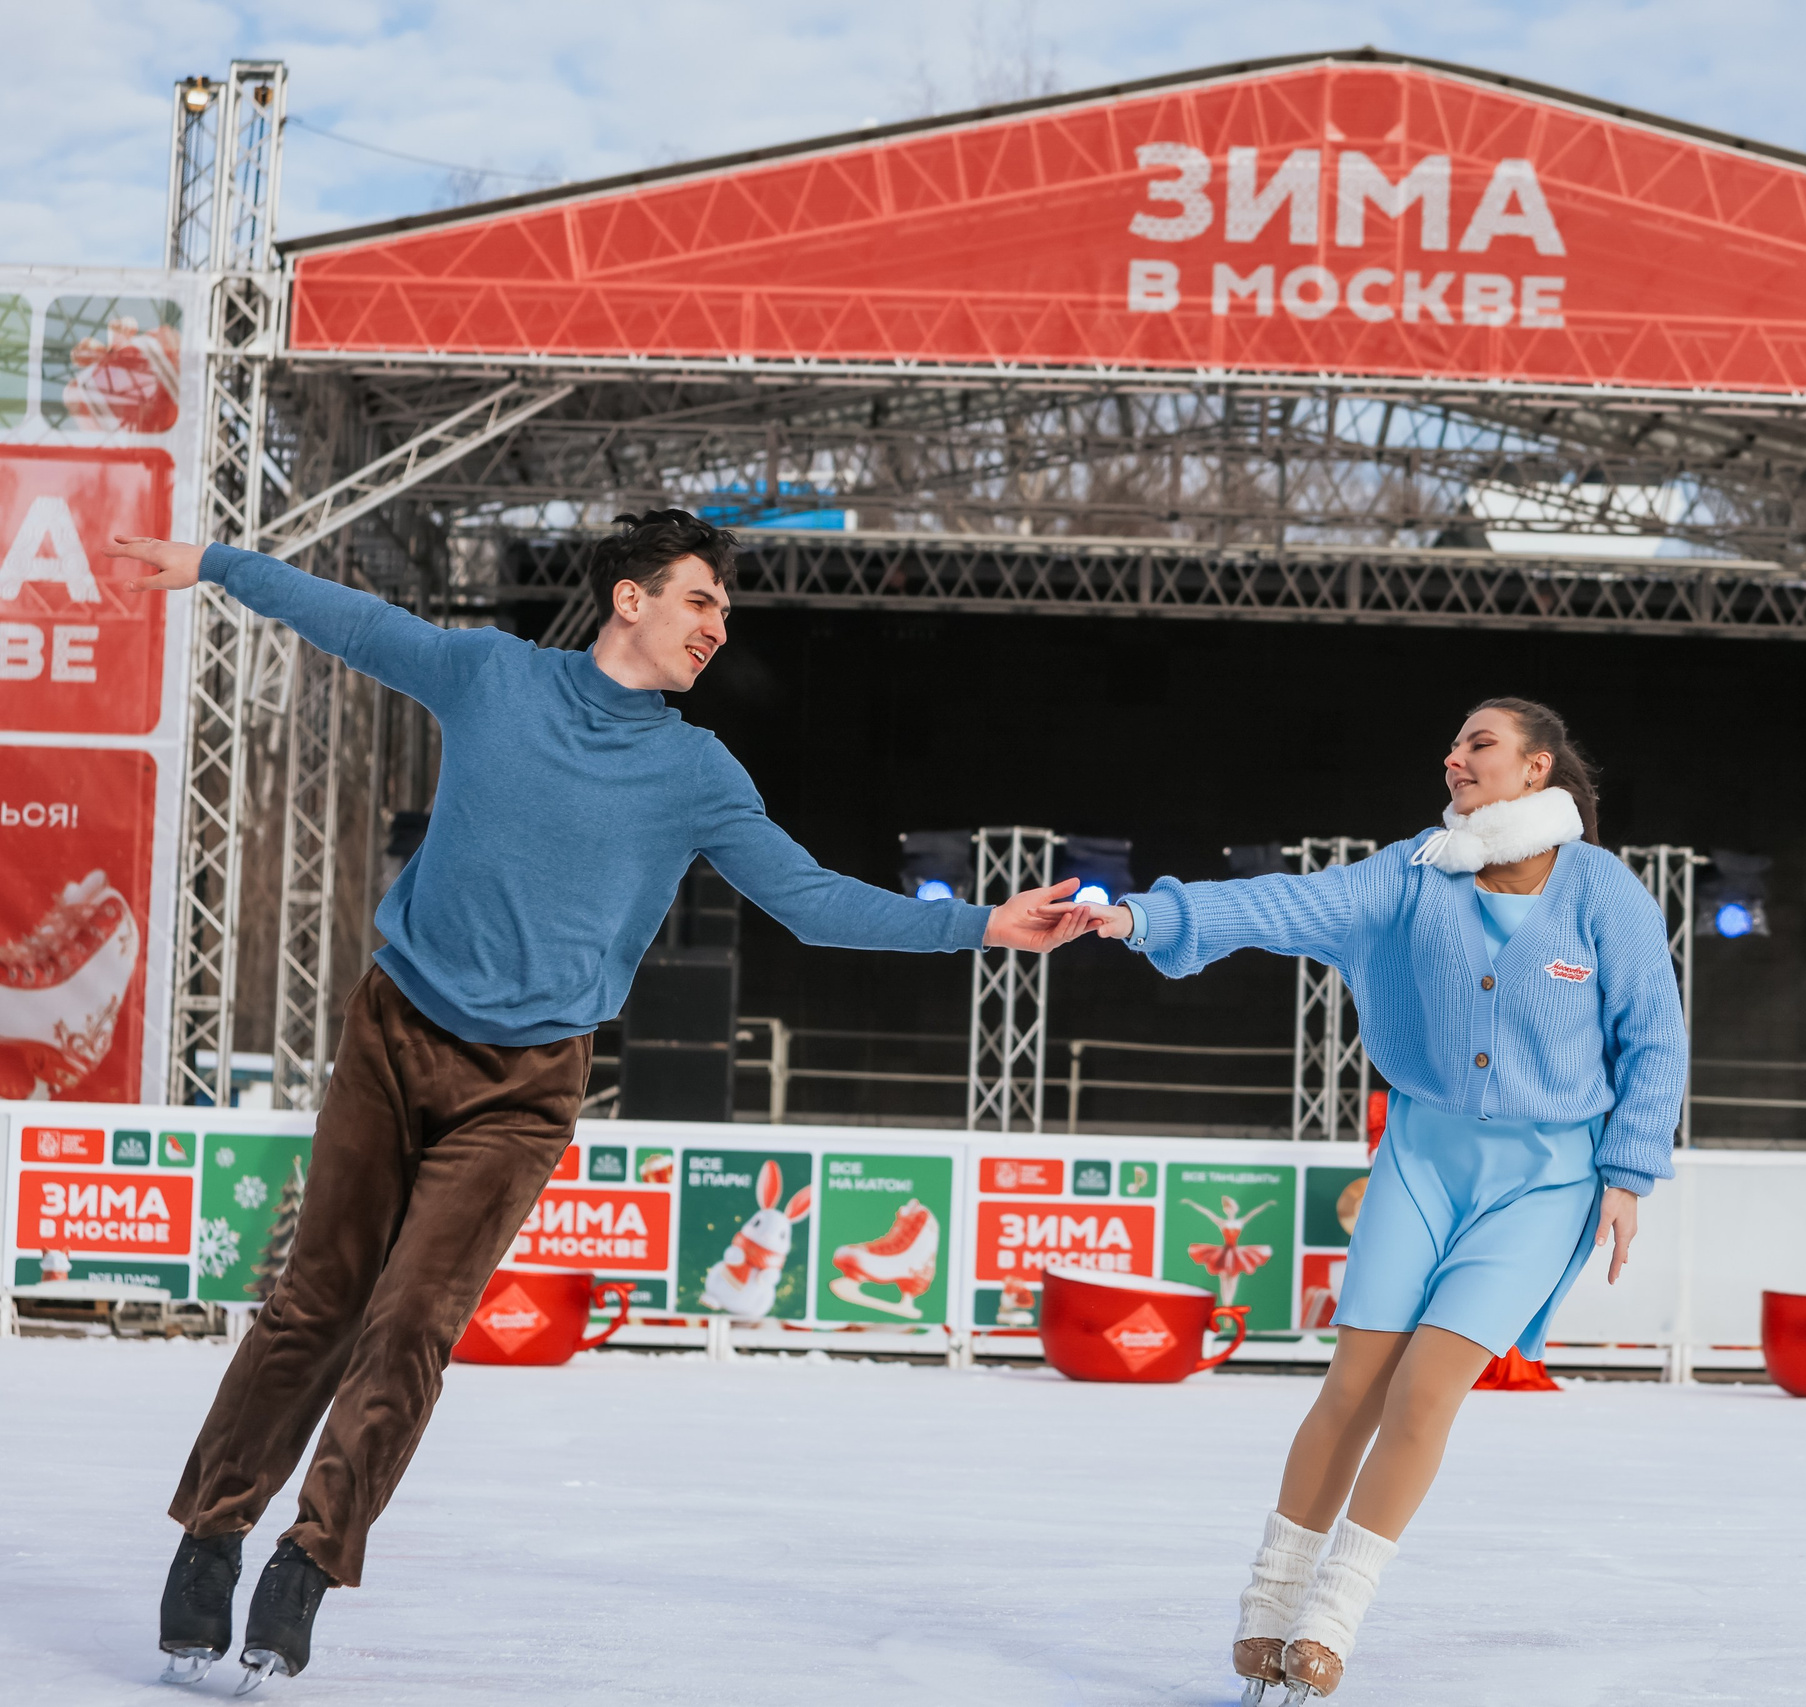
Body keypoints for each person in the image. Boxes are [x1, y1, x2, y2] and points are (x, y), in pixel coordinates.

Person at [109, 512, 1090, 1691]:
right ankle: (213, 1535)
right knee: (318, 1303)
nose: (717, 629)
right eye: (699, 603)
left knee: (413, 1324)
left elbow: (812, 900)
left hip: (525, 1085)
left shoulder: (696, 772)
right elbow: (353, 622)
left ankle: (307, 1566)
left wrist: (981, 923)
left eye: (724, 614)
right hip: (395, 1031)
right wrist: (217, 565)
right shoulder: (490, 677)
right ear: (630, 600)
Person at [1084, 698, 1685, 1703]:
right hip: (1421, 1158)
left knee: (1426, 1388)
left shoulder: (1601, 890)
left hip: (1546, 1179)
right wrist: (1146, 915)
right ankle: (1270, 1605)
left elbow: (1653, 1035)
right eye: (1454, 744)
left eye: (1479, 745)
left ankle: (1330, 1617)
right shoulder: (1414, 872)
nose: (1455, 757)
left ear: (1536, 770)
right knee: (1353, 1386)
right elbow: (1285, 905)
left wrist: (1626, 1174)